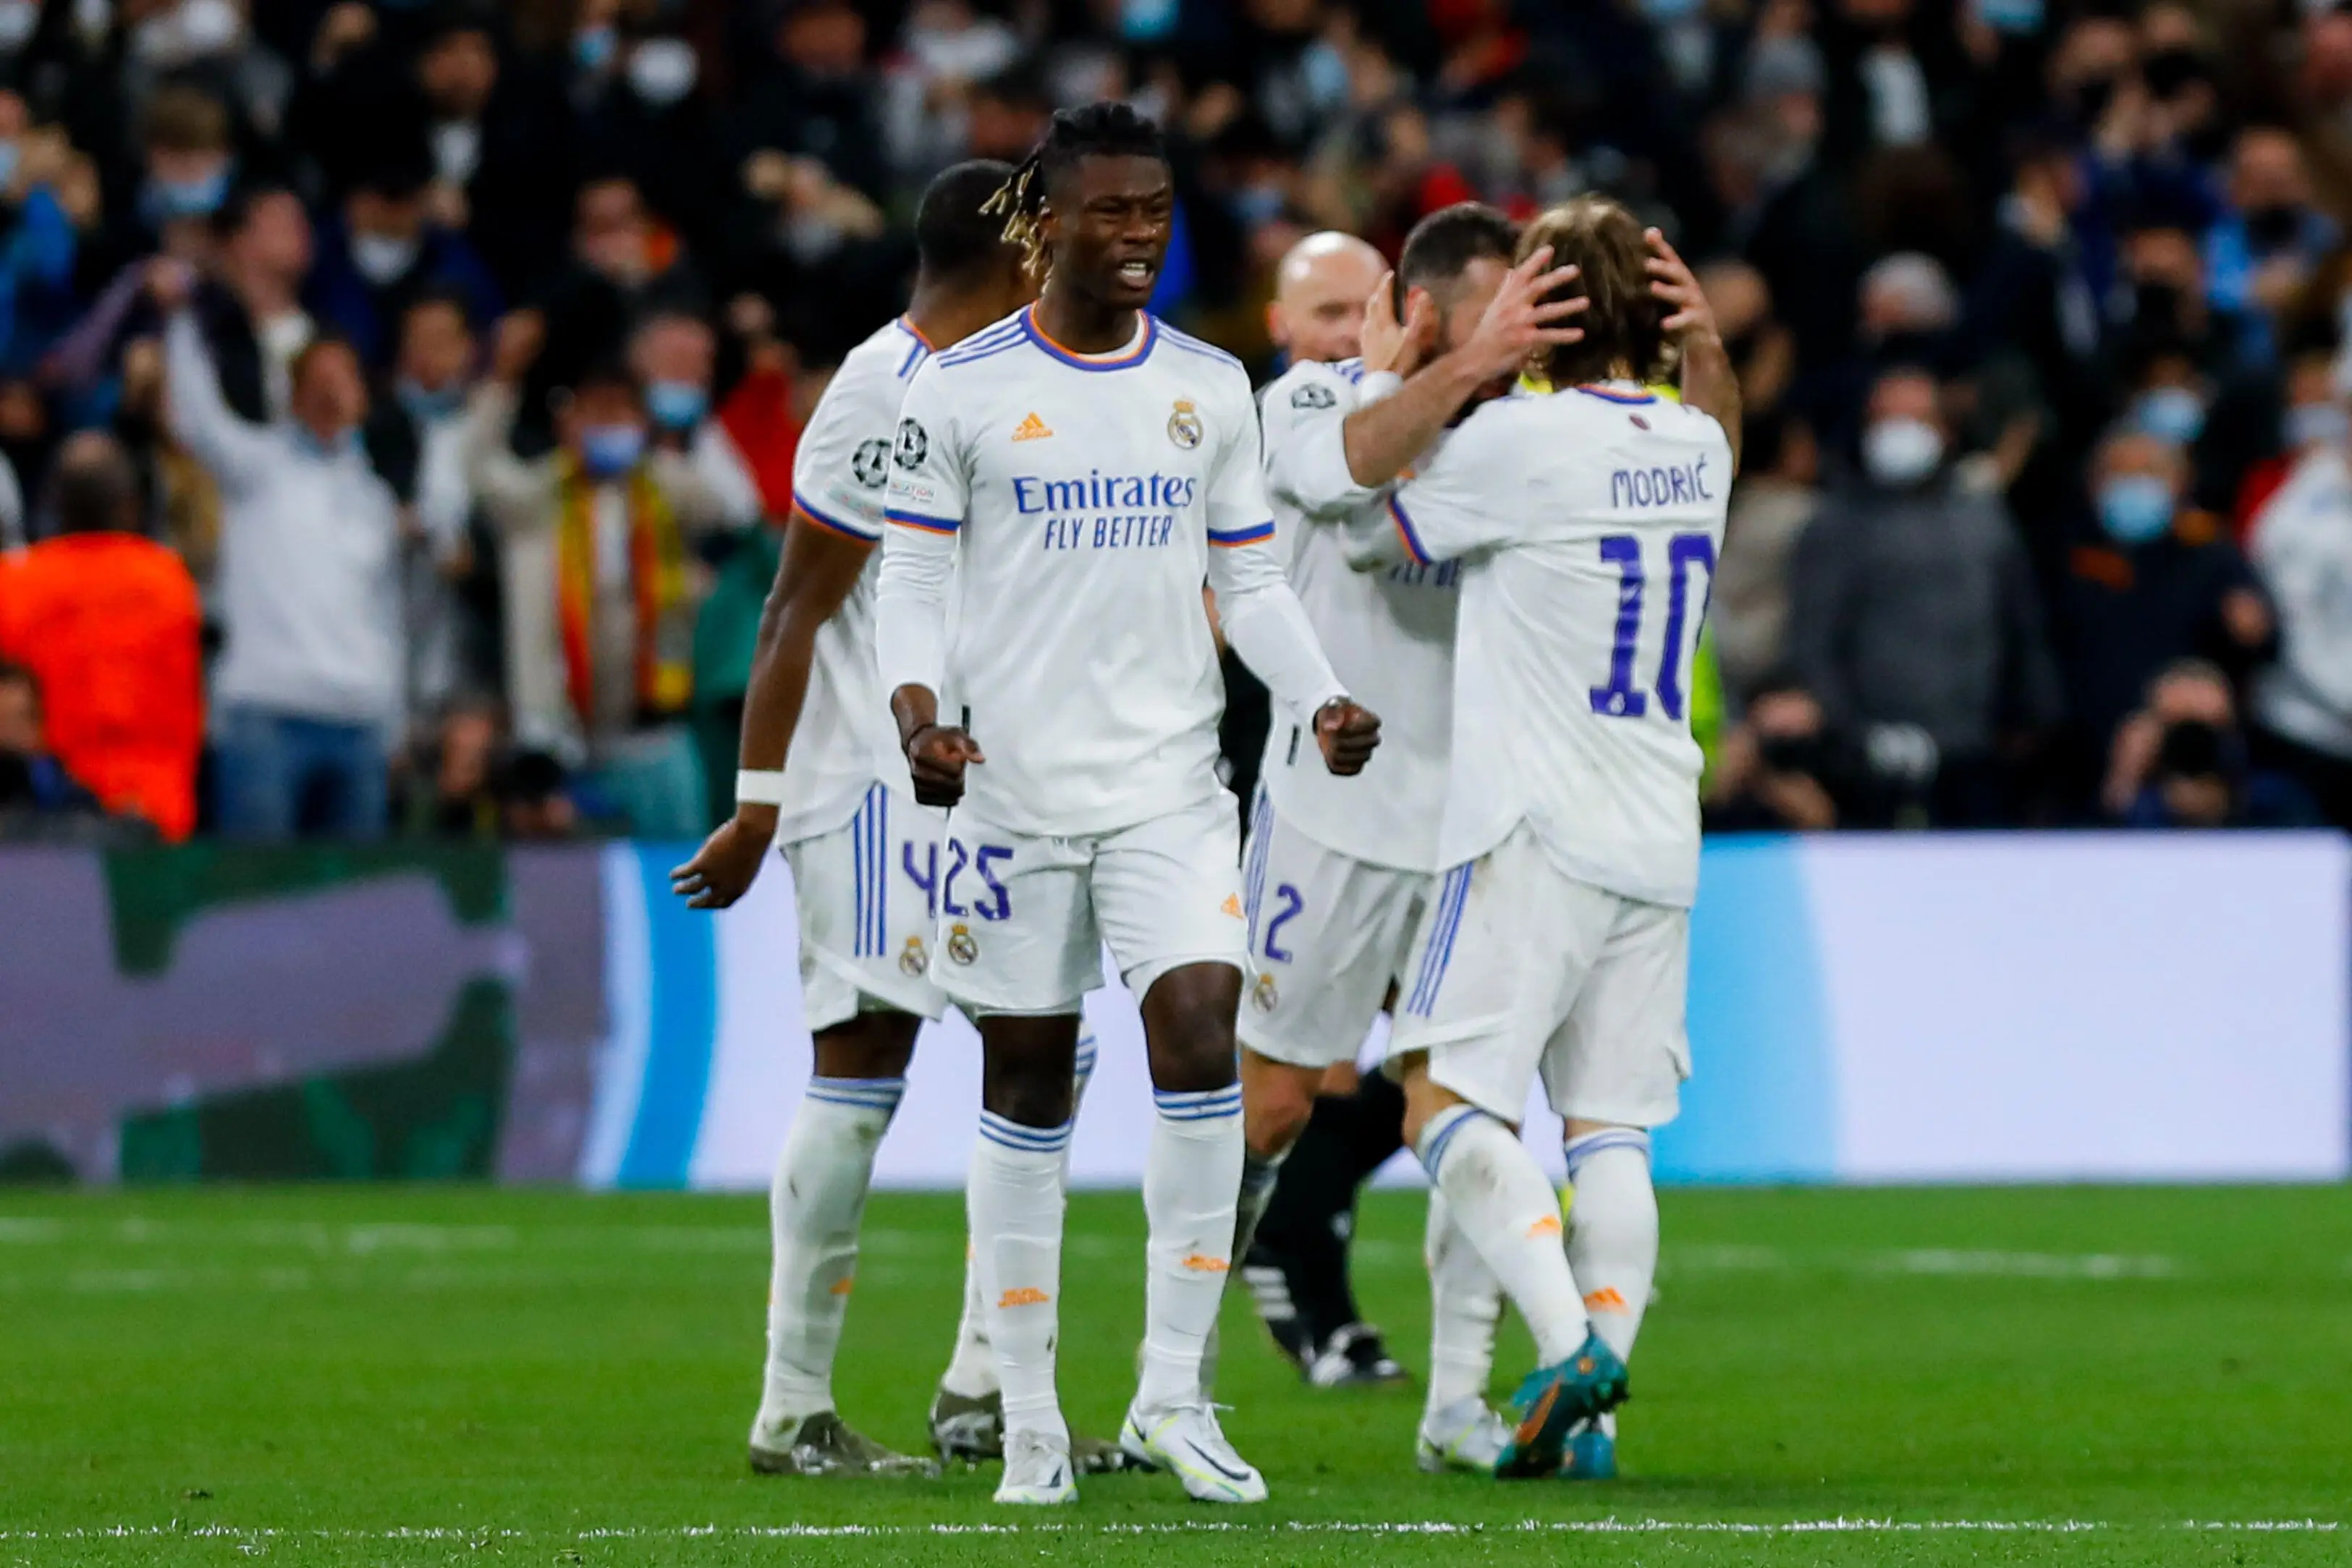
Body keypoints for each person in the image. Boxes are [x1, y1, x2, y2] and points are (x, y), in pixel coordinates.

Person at [873, 102, 1378, 1506]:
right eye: (1108, 210)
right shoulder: (959, 389)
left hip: (1169, 782)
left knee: (1201, 1032)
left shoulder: (1209, 386)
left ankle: (1173, 1390)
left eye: (1153, 208)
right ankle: (1028, 1412)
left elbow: (1253, 579)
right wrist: (919, 713)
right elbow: (910, 584)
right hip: (1012, 793)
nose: (1137, 232)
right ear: (1043, 220)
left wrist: (1317, 691)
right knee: (1026, 1081)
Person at [670, 159, 1119, 1480]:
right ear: (1017, 249)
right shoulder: (885, 389)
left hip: (988, 779)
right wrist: (757, 807)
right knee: (861, 1063)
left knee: (1053, 1057)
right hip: (871, 783)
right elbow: (793, 608)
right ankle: (792, 1407)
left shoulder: (1005, 379)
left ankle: (985, 1385)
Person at [1337, 195, 1738, 1480]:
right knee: (1612, 1129)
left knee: (1439, 1100)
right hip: (1657, 833)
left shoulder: (1518, 441)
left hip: (1529, 826)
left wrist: (1435, 363)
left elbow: (1367, 511)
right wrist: (1709, 354)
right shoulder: (1696, 444)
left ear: (1539, 304)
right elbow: (1718, 424)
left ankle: (1569, 1346)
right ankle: (1596, 1431)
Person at [1240, 209, 1583, 1458]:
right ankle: (1169, 1369)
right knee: (1273, 1104)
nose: (1515, 336)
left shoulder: (1524, 430)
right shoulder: (1305, 403)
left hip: (1481, 819)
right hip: (1332, 811)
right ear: (1430, 311)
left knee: (1468, 1108)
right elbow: (1348, 480)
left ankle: (1459, 1401)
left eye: (1526, 315)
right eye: (1495, 312)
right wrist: (1461, 371)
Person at [460, 313, 744, 839]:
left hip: (652, 737)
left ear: (642, 424)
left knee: (678, 884)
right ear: (566, 424)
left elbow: (735, 506)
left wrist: (677, 424)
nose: (606, 425)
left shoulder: (666, 494)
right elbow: (477, 469)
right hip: (565, 741)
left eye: (620, 413)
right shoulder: (537, 502)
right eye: (593, 414)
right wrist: (500, 381)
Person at [158, 259, 406, 839]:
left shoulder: (374, 499)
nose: (331, 391)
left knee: (353, 913)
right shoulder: (257, 469)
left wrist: (395, 725)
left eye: (344, 379)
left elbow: (388, 617)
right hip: (265, 715)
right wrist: (178, 322)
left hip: (359, 722)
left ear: (363, 396)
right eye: (318, 379)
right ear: (292, 393)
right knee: (257, 906)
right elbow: (196, 419)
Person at [1787, 364, 2063, 826]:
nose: (1901, 433)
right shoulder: (1836, 523)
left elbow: (2021, 624)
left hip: (1978, 755)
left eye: (1916, 419)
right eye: (1887, 420)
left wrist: (2035, 718)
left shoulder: (1982, 517)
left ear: (1944, 431)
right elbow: (1813, 643)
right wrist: (1851, 735)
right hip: (1875, 764)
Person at [0, 431, 203, 839]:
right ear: (130, 506)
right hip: (155, 807)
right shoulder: (169, 580)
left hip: (51, 817)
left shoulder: (16, 582)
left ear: (56, 504)